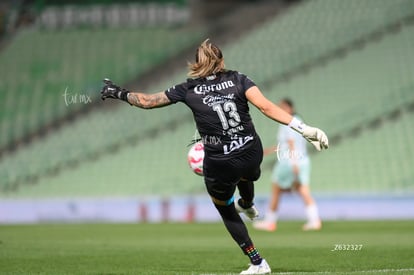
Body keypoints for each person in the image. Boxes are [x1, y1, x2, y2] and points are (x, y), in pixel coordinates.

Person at [100, 39, 328, 275]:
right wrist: (304, 128)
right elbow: (266, 107)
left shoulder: (188, 88)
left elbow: (147, 102)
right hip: (252, 152)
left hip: (221, 162)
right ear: (221, 61)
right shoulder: (239, 78)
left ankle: (258, 262)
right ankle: (248, 204)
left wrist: (118, 92)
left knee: (225, 208)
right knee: (246, 173)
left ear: (197, 64)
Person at [253, 99, 322, 232]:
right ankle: (315, 220)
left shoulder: (287, 121)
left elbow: (291, 143)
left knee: (276, 189)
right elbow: (286, 144)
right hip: (303, 160)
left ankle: (270, 222)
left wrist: (293, 163)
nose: (280, 109)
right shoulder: (299, 121)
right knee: (303, 190)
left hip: (289, 161)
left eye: (283, 107)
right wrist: (268, 151)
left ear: (290, 108)